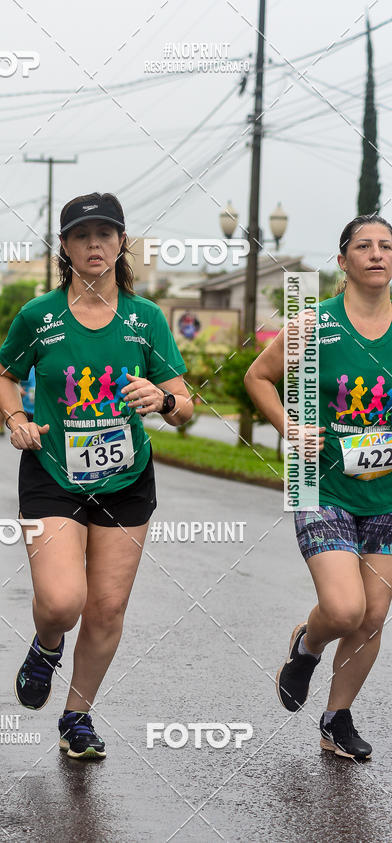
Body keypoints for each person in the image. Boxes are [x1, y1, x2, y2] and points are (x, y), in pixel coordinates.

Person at [0, 192, 193, 759]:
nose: (95, 244)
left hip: (127, 479)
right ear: (66, 247)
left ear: (122, 242)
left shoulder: (146, 318)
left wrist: (163, 399)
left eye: (106, 233)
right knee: (61, 601)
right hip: (52, 472)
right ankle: (47, 644)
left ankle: (76, 717)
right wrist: (15, 416)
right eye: (83, 235)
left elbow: (183, 399)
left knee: (106, 608)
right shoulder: (39, 316)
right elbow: (2, 373)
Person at [244, 214, 392, 761]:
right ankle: (306, 648)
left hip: (388, 494)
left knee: (373, 616)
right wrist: (290, 427)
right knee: (345, 606)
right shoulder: (316, 324)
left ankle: (336, 718)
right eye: (364, 246)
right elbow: (257, 377)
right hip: (322, 484)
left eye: (386, 246)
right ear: (343, 261)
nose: (376, 254)